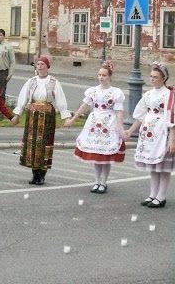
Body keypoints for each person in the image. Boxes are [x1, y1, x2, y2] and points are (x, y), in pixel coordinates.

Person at [64, 61, 125, 194]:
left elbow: (119, 111)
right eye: (99, 75)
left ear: (109, 76)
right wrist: (72, 120)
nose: (101, 77)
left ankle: (104, 182)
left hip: (108, 124)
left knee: (106, 155)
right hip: (94, 123)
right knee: (96, 155)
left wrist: (121, 129)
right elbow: (84, 107)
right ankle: (97, 181)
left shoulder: (115, 92)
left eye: (104, 75)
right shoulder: (93, 91)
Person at [12, 56, 71, 185]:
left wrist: (66, 117)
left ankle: (42, 174)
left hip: (47, 117)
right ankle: (35, 174)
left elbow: (61, 100)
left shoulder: (54, 82)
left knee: (44, 143)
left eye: (42, 64)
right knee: (32, 144)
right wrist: (17, 114)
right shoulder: (31, 81)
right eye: (38, 64)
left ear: (47, 66)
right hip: (33, 116)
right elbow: (23, 97)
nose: (40, 66)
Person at [123, 62, 175, 208]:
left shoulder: (170, 95)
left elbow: (172, 119)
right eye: (151, 76)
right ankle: (153, 194)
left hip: (163, 133)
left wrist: (172, 140)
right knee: (153, 166)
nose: (152, 79)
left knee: (163, 167)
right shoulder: (148, 94)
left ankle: (161, 196)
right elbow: (140, 116)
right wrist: (130, 131)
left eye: (155, 77)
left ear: (164, 78)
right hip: (149, 134)